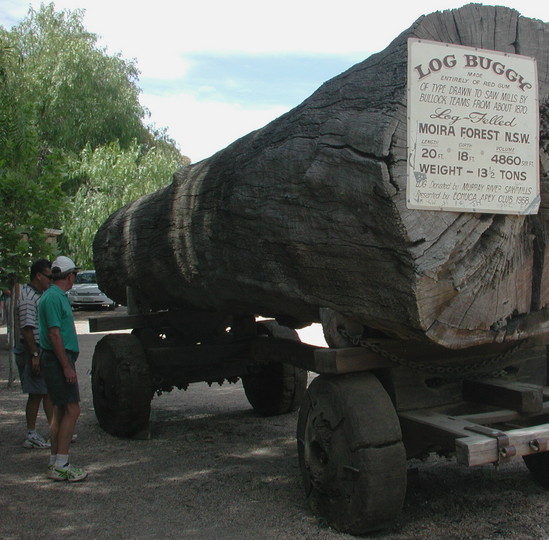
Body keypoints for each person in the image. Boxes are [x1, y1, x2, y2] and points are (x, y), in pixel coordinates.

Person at [38, 255, 87, 482]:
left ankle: (55, 460)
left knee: (59, 411)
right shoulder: (53, 298)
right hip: (58, 360)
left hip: (57, 359)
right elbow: (54, 334)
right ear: (70, 276)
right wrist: (66, 366)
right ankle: (62, 464)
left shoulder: (54, 296)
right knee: (72, 410)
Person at [14, 259, 54, 448]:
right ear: (38, 275)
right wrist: (34, 355)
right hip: (32, 349)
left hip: (39, 348)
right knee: (36, 393)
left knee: (45, 392)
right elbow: (27, 329)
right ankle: (31, 433)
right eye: (49, 276)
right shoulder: (28, 297)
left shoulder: (40, 294)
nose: (51, 280)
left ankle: (55, 429)